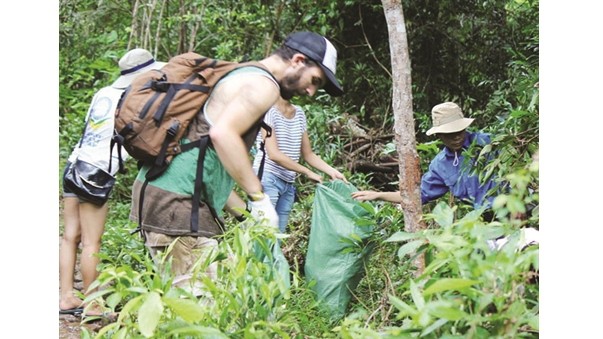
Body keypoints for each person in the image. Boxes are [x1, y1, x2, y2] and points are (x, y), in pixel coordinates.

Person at [129, 31, 344, 294]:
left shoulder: (244, 73)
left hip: (163, 195)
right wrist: (260, 199)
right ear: (298, 60)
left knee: (194, 300)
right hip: (178, 206)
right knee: (208, 310)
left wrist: (248, 216)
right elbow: (223, 135)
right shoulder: (264, 85)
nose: (310, 92)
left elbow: (208, 161)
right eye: (314, 80)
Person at [59, 48, 165, 316]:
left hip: (75, 165)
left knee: (71, 236)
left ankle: (67, 297)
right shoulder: (133, 98)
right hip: (96, 175)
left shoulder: (103, 93)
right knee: (92, 242)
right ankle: (94, 304)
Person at [352, 102, 498, 211]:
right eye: (449, 134)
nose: (456, 138)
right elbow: (417, 196)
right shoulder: (441, 166)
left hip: (513, 211)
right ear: (439, 135)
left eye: (459, 131)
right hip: (484, 223)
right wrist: (378, 195)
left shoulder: (489, 142)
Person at [252, 96, 347, 233]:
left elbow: (308, 154)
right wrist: (307, 172)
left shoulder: (299, 113)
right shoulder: (269, 111)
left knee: (278, 237)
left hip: (288, 184)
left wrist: (332, 171)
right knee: (263, 235)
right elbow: (274, 154)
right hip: (267, 178)